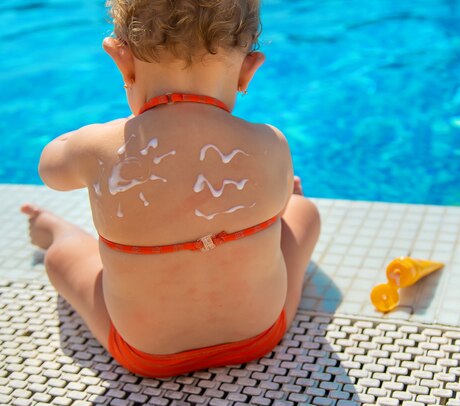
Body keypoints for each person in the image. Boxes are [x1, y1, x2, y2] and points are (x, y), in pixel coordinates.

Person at [20, 0, 320, 378]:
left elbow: (50, 169)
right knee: (302, 212)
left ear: (121, 61)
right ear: (248, 71)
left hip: (148, 355)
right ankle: (292, 202)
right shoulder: (271, 143)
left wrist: (87, 140)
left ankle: (55, 231)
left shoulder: (97, 149)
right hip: (259, 335)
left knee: (61, 259)